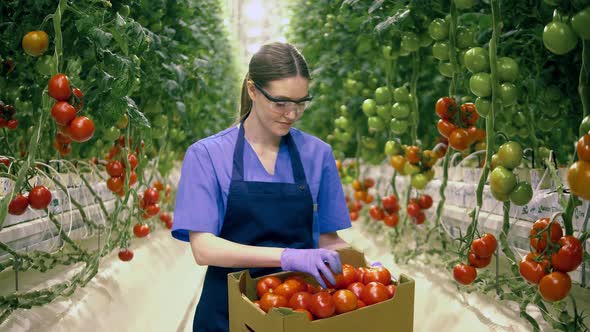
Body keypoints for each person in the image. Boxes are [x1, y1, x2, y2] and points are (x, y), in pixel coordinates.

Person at [171, 42, 352, 332]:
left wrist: (362, 266)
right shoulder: (207, 155)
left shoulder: (318, 154)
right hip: (226, 314)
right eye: (280, 103)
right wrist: (287, 256)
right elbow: (204, 248)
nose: (291, 114)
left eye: (301, 103)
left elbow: (328, 239)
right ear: (253, 90)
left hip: (298, 309)